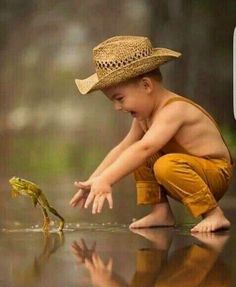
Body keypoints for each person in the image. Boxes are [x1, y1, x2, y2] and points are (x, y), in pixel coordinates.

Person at [69, 35, 234, 232]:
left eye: (120, 98)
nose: (117, 107)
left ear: (147, 86)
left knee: (156, 159)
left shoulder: (174, 110)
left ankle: (214, 214)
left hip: (216, 174)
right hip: (190, 170)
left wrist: (108, 180)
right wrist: (96, 179)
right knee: (136, 154)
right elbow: (124, 148)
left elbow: (145, 147)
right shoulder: (144, 117)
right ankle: (161, 212)